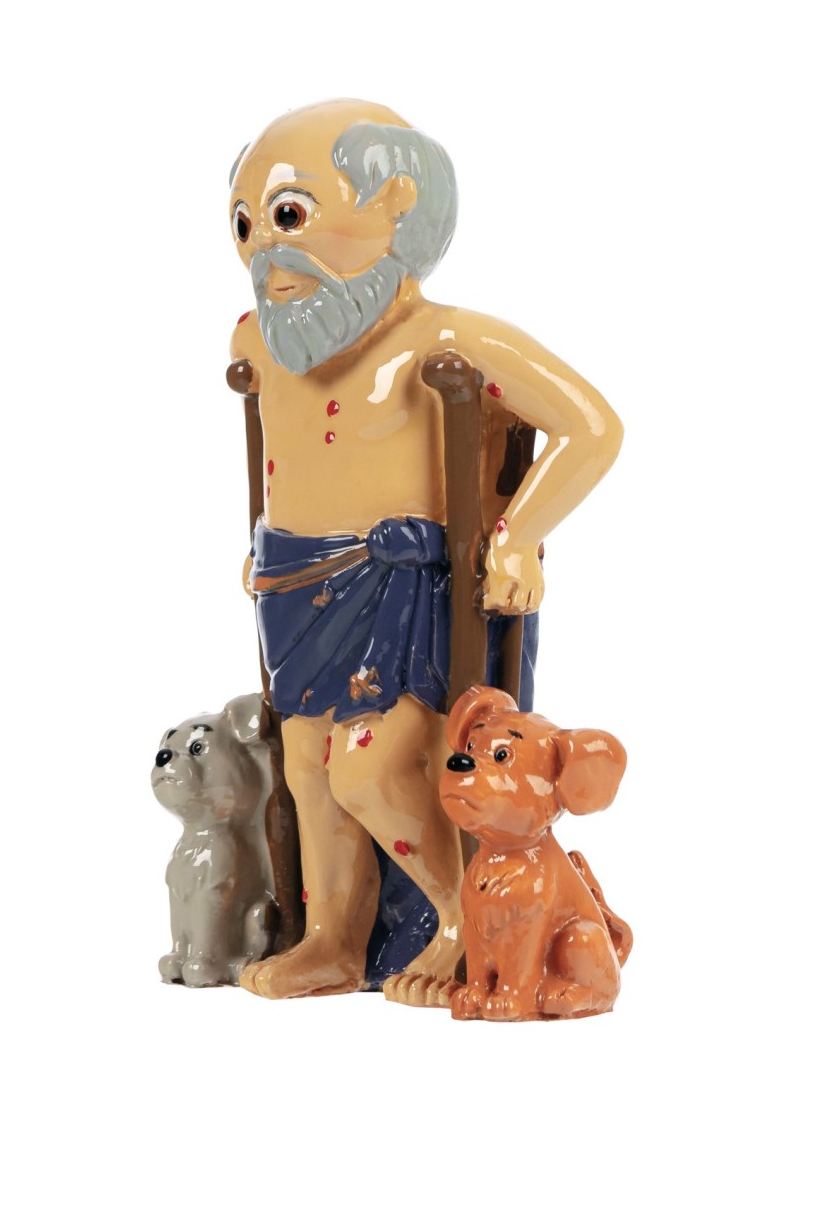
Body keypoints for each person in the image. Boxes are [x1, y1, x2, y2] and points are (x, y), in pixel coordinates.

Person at [228, 99, 622, 1006]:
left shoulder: (444, 340)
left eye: (288, 215)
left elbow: (592, 427)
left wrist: (519, 535)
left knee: (370, 765)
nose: (263, 250)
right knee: (306, 769)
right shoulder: (258, 342)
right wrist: (261, 549)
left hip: (399, 584)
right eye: (246, 225)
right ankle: (332, 938)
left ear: (396, 203)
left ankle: (454, 915)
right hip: (294, 584)